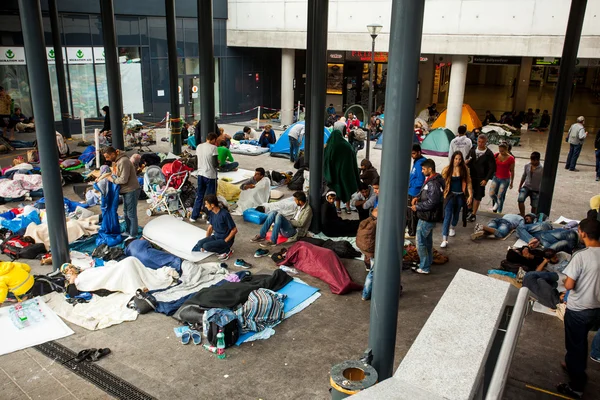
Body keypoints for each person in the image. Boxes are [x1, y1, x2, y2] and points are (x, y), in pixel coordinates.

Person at [556, 218, 600, 399]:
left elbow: (569, 285)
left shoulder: (581, 256)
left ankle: (576, 386)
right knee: (579, 344)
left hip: (579, 309)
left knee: (576, 345)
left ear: (582, 233)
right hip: (597, 309)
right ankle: (570, 363)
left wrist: (565, 281)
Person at [411, 159, 444, 274]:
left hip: (427, 217)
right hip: (429, 217)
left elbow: (432, 202)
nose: (422, 171)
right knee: (427, 241)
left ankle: (424, 267)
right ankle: (427, 262)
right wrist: (417, 197)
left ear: (430, 169)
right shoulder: (434, 180)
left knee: (420, 242)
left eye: (424, 169)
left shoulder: (433, 183)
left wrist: (418, 206)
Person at [102, 146, 140, 239]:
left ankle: (133, 234)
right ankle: (128, 231)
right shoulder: (118, 161)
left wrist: (112, 180)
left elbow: (123, 179)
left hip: (131, 190)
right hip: (126, 191)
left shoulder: (123, 161)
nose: (107, 159)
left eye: (107, 157)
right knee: (126, 212)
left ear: (113, 154)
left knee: (131, 213)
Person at [440, 151, 473, 248]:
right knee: (447, 215)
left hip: (460, 195)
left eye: (459, 159)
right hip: (450, 195)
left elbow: (469, 183)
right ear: (453, 159)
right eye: (456, 158)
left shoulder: (465, 169)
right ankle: (444, 239)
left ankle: (453, 227)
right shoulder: (447, 169)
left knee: (457, 213)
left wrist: (470, 195)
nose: (457, 161)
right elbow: (442, 182)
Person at [324, 130, 360, 214]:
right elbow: (353, 158)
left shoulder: (331, 146)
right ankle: (348, 208)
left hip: (335, 173)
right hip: (347, 171)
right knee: (346, 189)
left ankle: (338, 207)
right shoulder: (347, 145)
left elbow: (326, 159)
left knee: (338, 189)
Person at [192, 194, 237, 260]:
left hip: (224, 239)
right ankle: (217, 246)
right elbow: (210, 228)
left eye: (206, 204)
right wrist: (207, 239)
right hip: (216, 237)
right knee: (200, 243)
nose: (205, 206)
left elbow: (234, 230)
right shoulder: (212, 213)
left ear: (212, 205)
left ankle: (226, 251)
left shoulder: (224, 214)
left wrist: (225, 241)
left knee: (206, 246)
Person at [466, 134, 496, 222]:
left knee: (478, 196)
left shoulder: (489, 154)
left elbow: (492, 168)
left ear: (486, 142)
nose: (480, 144)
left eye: (483, 142)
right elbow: (467, 161)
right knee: (469, 194)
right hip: (471, 177)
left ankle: (474, 213)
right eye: (479, 141)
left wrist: (486, 179)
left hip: (481, 178)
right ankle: (469, 210)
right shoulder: (472, 150)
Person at [190, 132, 219, 222]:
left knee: (199, 195)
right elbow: (215, 164)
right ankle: (209, 218)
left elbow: (196, 160)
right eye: (215, 140)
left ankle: (193, 216)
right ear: (213, 139)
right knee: (210, 197)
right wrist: (219, 163)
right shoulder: (214, 148)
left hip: (200, 174)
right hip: (210, 175)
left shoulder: (199, 146)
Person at [407, 144, 427, 238]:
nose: (412, 155)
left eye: (414, 153)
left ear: (419, 152)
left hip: (414, 192)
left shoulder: (420, 163)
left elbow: (420, 180)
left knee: (412, 213)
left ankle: (412, 232)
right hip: (412, 190)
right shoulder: (417, 161)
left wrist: (411, 184)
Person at [489, 142, 515, 213]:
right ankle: (496, 203)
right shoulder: (496, 155)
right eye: (500, 150)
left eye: (503, 151)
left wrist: (512, 182)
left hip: (505, 179)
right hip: (496, 177)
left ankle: (499, 211)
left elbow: (512, 171)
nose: (501, 152)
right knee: (491, 193)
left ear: (506, 150)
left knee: (500, 196)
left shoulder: (511, 158)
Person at [518, 152, 543, 216]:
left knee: (534, 206)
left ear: (537, 160)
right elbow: (524, 176)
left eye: (533, 160)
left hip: (536, 189)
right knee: (520, 199)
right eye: (531, 160)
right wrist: (520, 185)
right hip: (526, 186)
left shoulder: (542, 169)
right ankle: (522, 214)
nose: (532, 162)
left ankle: (531, 217)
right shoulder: (527, 166)